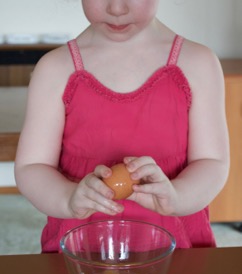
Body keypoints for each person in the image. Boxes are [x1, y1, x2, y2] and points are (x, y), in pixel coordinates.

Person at [14, 0, 229, 252]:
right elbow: (32, 167)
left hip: (176, 244)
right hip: (82, 246)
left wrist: (177, 197)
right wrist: (67, 199)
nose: (117, 8)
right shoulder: (54, 68)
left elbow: (212, 162)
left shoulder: (199, 62)